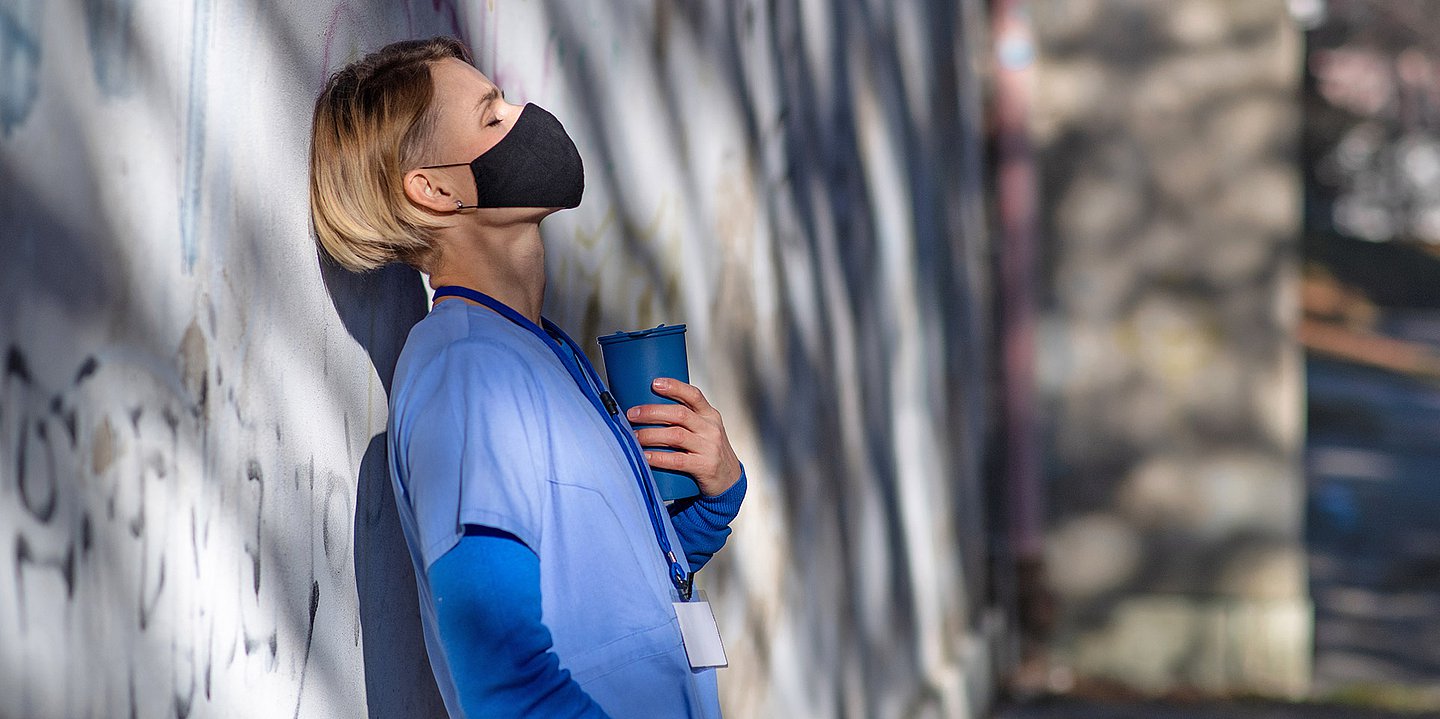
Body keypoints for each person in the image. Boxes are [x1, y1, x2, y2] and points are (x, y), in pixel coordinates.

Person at [308, 36, 746, 718]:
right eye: (493, 116)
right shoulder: (464, 374)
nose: (526, 116)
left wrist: (709, 498)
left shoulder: (537, 349)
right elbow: (505, 682)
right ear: (434, 188)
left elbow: (610, 594)